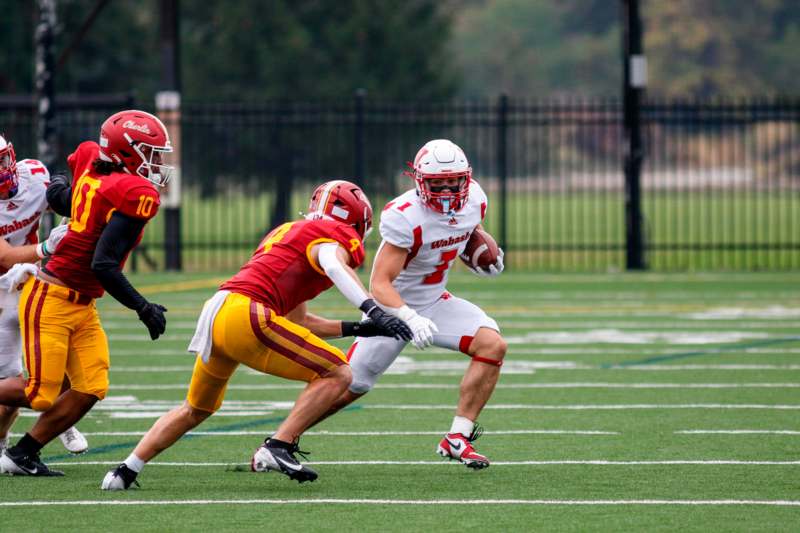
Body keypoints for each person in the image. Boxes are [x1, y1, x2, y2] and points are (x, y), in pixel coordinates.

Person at [100, 179, 412, 490]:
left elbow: (299, 322)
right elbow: (332, 263)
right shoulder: (334, 237)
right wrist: (373, 309)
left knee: (195, 408)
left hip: (219, 311)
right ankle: (278, 445)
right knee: (339, 371)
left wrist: (359, 328)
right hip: (248, 314)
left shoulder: (290, 233)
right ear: (358, 222)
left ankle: (125, 470)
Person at [315, 139, 507, 469]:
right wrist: (407, 317)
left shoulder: (475, 199)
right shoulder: (404, 216)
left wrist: (486, 255)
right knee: (349, 383)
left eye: (453, 182)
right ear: (420, 181)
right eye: (437, 184)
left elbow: (465, 232)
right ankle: (283, 439)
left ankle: (457, 438)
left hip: (435, 301)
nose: (447, 190)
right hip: (394, 309)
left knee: (493, 345)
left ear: (466, 179)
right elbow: (379, 283)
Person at [0, 110, 173, 477]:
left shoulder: (96, 164)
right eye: (150, 152)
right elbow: (104, 264)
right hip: (51, 296)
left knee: (92, 385)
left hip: (81, 302)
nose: (157, 162)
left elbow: (63, 198)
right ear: (127, 151)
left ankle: (22, 453)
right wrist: (143, 308)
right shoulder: (133, 191)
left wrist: (60, 184)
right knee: (40, 393)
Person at [0, 134, 88, 457]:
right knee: (11, 386)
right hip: (0, 291)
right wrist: (47, 247)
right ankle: (2, 441)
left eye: (1, 159)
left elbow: (63, 200)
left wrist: (66, 192)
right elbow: (5, 257)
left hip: (31, 281)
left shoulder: (34, 175)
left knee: (59, 358)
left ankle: (61, 422)